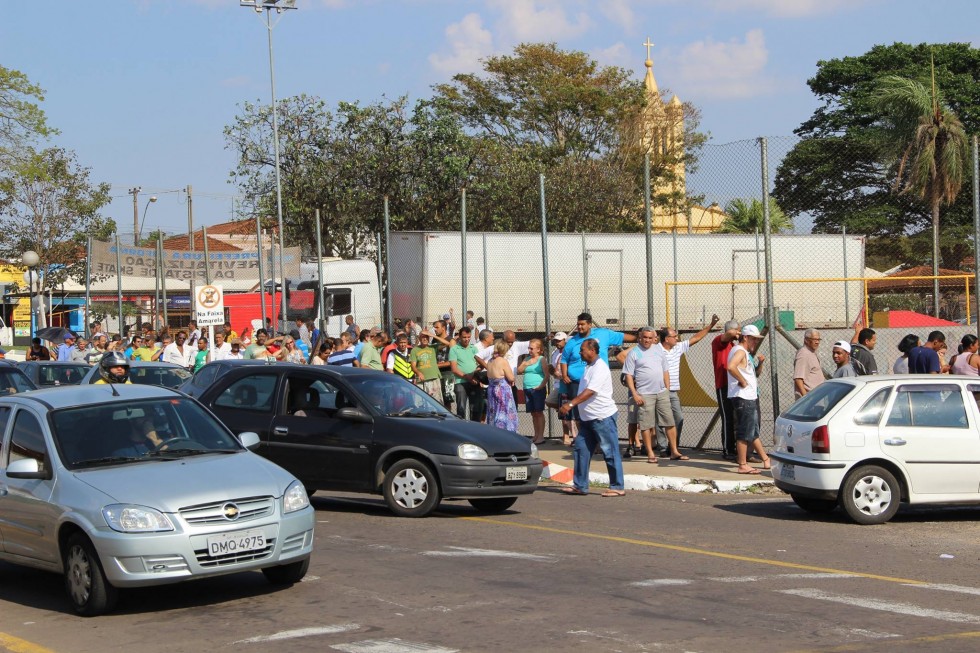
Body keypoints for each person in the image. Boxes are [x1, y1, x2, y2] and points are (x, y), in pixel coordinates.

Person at [558, 338, 625, 497]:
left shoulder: (600, 367)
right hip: (587, 419)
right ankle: (580, 485)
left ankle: (617, 486)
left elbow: (590, 391)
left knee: (610, 451)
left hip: (602, 418)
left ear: (592, 351)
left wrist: (570, 405)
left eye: (582, 350)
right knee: (581, 450)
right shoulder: (589, 367)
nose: (580, 352)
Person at [654, 315, 719, 458]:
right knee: (660, 421)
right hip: (659, 390)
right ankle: (663, 447)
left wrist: (711, 325)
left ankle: (673, 446)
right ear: (666, 339)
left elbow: (696, 338)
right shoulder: (655, 350)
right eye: (674, 336)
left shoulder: (677, 347)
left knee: (678, 418)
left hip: (673, 390)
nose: (677, 338)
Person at [560, 312, 636, 419]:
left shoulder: (602, 334)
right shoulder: (572, 341)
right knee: (579, 413)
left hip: (596, 380)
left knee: (597, 409)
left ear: (590, 324)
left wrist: (639, 338)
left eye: (582, 324)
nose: (580, 327)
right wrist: (564, 375)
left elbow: (622, 337)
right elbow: (564, 360)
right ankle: (583, 432)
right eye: (578, 324)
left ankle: (597, 427)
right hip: (576, 382)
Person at [623, 326, 674, 464]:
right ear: (640, 337)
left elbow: (665, 370)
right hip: (643, 394)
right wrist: (634, 393)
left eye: (650, 338)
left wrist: (667, 388)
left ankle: (674, 451)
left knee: (669, 422)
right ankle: (647, 451)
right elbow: (628, 374)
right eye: (644, 337)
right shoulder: (634, 352)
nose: (647, 340)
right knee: (643, 424)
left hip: (661, 392)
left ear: (654, 338)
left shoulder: (658, 349)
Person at [727, 325, 771, 475]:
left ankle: (765, 459)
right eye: (753, 339)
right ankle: (743, 464)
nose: (755, 342)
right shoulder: (740, 351)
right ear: (745, 337)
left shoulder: (742, 351)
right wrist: (743, 381)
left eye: (757, 340)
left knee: (752, 432)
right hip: (743, 397)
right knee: (744, 433)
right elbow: (731, 367)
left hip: (748, 397)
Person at [711, 320, 741, 461]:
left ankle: (736, 448)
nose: (739, 333)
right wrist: (735, 332)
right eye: (738, 330)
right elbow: (728, 333)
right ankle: (728, 449)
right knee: (727, 419)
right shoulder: (719, 341)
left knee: (735, 419)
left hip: (733, 386)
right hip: (723, 385)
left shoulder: (733, 346)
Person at [544, 332, 576, 446]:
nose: (557, 343)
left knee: (567, 413)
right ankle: (566, 436)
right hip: (558, 384)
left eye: (560, 340)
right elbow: (554, 369)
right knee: (550, 402)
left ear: (565, 340)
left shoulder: (569, 351)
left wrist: (561, 375)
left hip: (566, 384)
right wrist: (553, 371)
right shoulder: (555, 353)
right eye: (556, 341)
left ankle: (572, 437)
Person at [449, 326, 484, 421]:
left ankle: (475, 430)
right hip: (460, 382)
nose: (467, 339)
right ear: (459, 337)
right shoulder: (454, 349)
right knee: (461, 408)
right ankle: (462, 430)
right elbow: (454, 369)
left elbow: (480, 365)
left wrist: (477, 376)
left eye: (468, 337)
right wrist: (469, 378)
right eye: (464, 337)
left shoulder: (474, 349)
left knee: (476, 408)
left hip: (475, 382)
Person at [518, 339, 548, 444]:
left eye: (532, 348)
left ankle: (541, 436)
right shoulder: (526, 359)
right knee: (533, 413)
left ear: (539, 349)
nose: (529, 350)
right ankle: (536, 435)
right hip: (527, 388)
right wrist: (525, 364)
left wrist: (541, 386)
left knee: (539, 412)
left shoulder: (542, 359)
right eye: (529, 348)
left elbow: (546, 375)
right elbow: (519, 370)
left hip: (538, 389)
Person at [485, 339, 519, 432]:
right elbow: (511, 377)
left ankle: (493, 431)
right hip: (502, 389)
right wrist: (512, 380)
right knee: (503, 411)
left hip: (491, 389)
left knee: (493, 411)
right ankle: (505, 431)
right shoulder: (503, 361)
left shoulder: (490, 361)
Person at [410, 329, 442, 401]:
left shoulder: (433, 347)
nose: (425, 339)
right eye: (423, 337)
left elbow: (449, 343)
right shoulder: (415, 350)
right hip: (422, 380)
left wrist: (432, 335)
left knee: (436, 402)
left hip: (434, 378)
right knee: (421, 402)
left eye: (426, 337)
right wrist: (418, 373)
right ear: (419, 338)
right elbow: (413, 366)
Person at [793, 328, 824, 398]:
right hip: (810, 399)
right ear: (806, 340)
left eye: (818, 340)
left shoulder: (811, 352)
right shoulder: (804, 354)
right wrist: (806, 398)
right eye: (814, 339)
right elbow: (798, 379)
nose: (817, 342)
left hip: (815, 397)